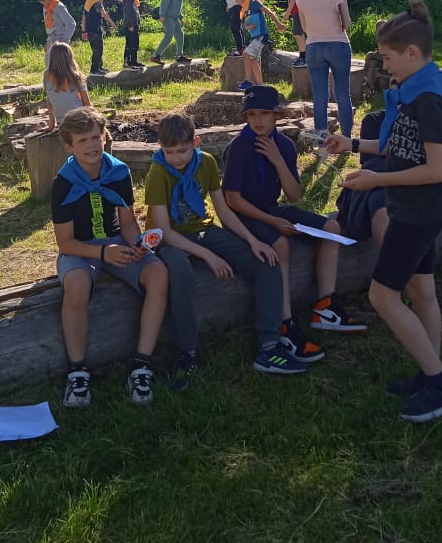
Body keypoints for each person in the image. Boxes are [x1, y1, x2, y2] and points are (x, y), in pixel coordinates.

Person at [330, 0, 442, 423]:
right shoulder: (414, 89)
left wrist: (377, 180)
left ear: (411, 53)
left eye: (388, 58)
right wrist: (353, 145)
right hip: (417, 209)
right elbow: (397, 147)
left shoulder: (428, 99)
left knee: (382, 295)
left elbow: (437, 169)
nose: (385, 66)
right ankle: (430, 373)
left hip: (417, 214)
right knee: (422, 291)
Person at [144, 112, 306, 376]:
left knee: (266, 262)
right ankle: (187, 351)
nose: (176, 158)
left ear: (196, 143)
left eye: (182, 151)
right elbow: (163, 231)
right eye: (169, 152)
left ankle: (269, 345)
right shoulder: (158, 171)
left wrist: (252, 241)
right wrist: (208, 255)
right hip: (170, 238)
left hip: (203, 229)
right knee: (181, 273)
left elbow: (223, 209)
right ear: (160, 147)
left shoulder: (206, 162)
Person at [223, 85, 368, 364]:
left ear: (277, 116)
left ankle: (326, 306)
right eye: (252, 114)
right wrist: (273, 221)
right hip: (244, 216)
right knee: (281, 245)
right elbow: (232, 200)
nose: (258, 120)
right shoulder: (239, 147)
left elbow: (294, 194)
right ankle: (285, 324)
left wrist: (278, 160)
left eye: (264, 113)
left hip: (273, 208)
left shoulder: (285, 146)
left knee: (332, 229)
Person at [51, 107, 172, 406]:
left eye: (96, 137)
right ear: (69, 146)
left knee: (158, 273)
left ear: (105, 137)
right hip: (81, 249)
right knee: (77, 284)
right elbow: (65, 243)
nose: (92, 145)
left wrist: (137, 244)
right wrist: (104, 252)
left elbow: (127, 223)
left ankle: (141, 365)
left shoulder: (119, 172)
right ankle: (78, 372)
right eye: (82, 140)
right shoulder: (63, 183)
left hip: (116, 241)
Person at [329, 109, 442, 301]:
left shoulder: (429, 113)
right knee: (384, 214)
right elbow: (380, 162)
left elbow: (440, 158)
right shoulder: (376, 120)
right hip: (387, 181)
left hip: (428, 180)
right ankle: (402, 284)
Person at [295, 0, 354, 137]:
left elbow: (305, 27)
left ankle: (322, 141)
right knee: (342, 93)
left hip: (313, 46)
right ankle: (346, 138)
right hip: (338, 45)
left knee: (319, 96)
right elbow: (347, 23)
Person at [230, 0, 284, 91]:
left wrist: (278, 24)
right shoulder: (245, 9)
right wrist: (248, 27)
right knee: (253, 60)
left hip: (262, 36)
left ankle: (248, 81)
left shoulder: (254, 3)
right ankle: (260, 85)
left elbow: (268, 12)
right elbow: (245, 26)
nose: (235, 1)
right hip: (255, 37)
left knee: (246, 54)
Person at [43, 42, 91, 132]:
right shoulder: (77, 76)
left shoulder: (46, 75)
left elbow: (50, 102)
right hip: (80, 120)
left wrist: (51, 126)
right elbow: (87, 104)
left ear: (51, 58)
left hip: (62, 123)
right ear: (70, 58)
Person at [151, 0, 191, 64]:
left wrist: (181, 18)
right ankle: (156, 56)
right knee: (169, 35)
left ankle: (179, 56)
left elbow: (178, 7)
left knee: (180, 35)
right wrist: (162, 15)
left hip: (175, 18)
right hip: (168, 18)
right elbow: (164, 3)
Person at [36, 0, 76, 64]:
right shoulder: (45, 8)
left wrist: (64, 42)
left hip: (60, 41)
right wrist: (48, 42)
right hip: (50, 41)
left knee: (61, 68)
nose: (43, 2)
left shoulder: (58, 6)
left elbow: (71, 24)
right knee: (48, 66)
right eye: (40, 1)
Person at [80, 0, 117, 75]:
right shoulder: (97, 3)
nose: (102, 1)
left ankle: (99, 67)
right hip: (96, 30)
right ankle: (94, 70)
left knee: (96, 50)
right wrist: (113, 24)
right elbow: (105, 15)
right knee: (98, 50)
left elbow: (84, 17)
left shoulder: (88, 2)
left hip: (89, 31)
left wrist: (83, 31)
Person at [119, 0, 144, 69]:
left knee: (135, 43)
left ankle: (134, 61)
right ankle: (127, 63)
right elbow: (127, 11)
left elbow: (135, 10)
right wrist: (130, 24)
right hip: (130, 24)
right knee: (130, 43)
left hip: (135, 23)